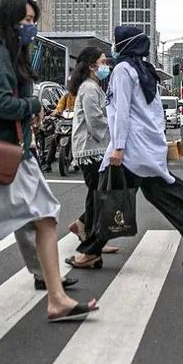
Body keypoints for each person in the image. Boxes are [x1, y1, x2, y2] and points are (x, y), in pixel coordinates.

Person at [0, 0, 97, 321]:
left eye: (33, 21)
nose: (31, 27)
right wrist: (33, 106)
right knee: (44, 218)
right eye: (26, 21)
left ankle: (56, 297)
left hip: (12, 153)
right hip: (5, 153)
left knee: (46, 218)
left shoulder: (8, 54)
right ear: (8, 22)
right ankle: (55, 297)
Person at [74, 25, 183, 269]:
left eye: (117, 43)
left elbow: (121, 112)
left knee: (110, 198)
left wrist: (117, 148)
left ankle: (91, 252)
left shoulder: (123, 71)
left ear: (124, 45)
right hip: (146, 148)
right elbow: (151, 113)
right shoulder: (146, 70)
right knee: (159, 192)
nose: (114, 48)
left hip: (129, 149)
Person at [64, 47, 119, 264]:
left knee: (96, 193)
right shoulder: (89, 88)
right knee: (100, 194)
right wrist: (116, 130)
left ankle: (87, 230)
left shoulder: (93, 87)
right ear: (92, 66)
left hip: (93, 148)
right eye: (103, 62)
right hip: (91, 149)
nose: (106, 66)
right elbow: (94, 119)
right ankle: (90, 236)